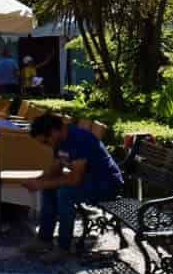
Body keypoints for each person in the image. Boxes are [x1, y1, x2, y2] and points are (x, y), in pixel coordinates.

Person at [23, 112, 124, 262]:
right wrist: (38, 181)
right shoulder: (60, 140)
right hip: (89, 181)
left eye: (45, 141)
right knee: (50, 188)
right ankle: (44, 240)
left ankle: (63, 247)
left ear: (53, 132)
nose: (46, 145)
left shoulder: (79, 139)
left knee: (65, 193)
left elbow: (74, 180)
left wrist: (41, 183)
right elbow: (55, 171)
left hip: (107, 184)